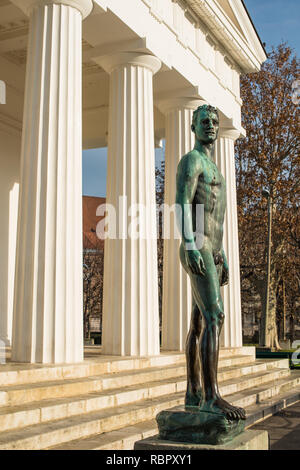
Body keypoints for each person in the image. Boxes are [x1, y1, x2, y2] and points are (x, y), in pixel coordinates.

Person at [176, 104, 245, 420]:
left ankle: (193, 390)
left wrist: (223, 253)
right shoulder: (192, 161)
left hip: (212, 250)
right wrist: (190, 246)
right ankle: (211, 397)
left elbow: (214, 216)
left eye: (215, 121)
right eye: (204, 121)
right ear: (193, 127)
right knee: (216, 316)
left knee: (199, 322)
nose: (211, 125)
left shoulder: (213, 164)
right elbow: (181, 205)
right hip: (197, 246)